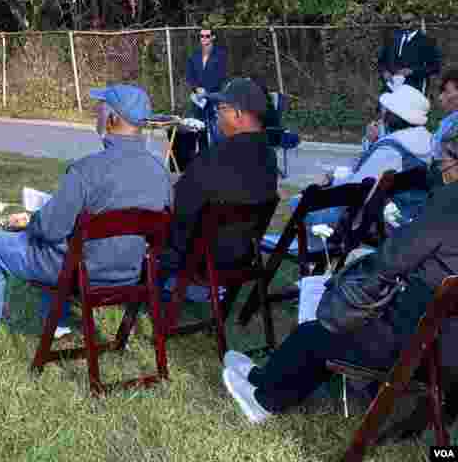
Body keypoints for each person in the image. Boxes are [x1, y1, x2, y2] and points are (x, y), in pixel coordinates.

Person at [221, 131, 458, 425]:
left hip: (420, 346)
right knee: (331, 326)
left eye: (444, 162)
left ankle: (264, 399)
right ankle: (263, 376)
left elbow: (392, 259)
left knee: (320, 330)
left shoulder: (451, 201)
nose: (441, 169)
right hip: (446, 350)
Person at [0, 85, 172, 354]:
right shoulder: (160, 171)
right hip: (133, 275)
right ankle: (60, 327)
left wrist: (31, 220)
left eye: (100, 109)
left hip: (82, 273)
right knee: (65, 244)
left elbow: (51, 229)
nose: (96, 115)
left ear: (112, 120)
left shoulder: (87, 170)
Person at [159, 78, 279, 281]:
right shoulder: (269, 156)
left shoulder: (214, 157)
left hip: (201, 259)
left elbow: (179, 206)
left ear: (237, 114)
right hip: (242, 254)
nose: (217, 114)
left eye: (221, 108)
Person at [306, 85, 432, 232]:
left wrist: (333, 178)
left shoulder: (391, 148)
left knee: (300, 202)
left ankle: (314, 251)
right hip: (411, 214)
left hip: (376, 220)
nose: (382, 115)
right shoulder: (429, 141)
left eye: (386, 110)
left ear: (394, 114)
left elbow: (356, 189)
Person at [184, 27, 228, 154]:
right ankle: (204, 155)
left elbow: (221, 76)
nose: (204, 38)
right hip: (198, 98)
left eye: (207, 36)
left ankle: (219, 154)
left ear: (213, 37)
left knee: (215, 128)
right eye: (201, 36)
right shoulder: (194, 55)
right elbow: (190, 75)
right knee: (199, 126)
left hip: (213, 95)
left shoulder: (220, 55)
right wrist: (196, 88)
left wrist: (207, 91)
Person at [377, 13, 441, 94]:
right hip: (390, 88)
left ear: (416, 22)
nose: (404, 24)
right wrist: (384, 72)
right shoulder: (392, 38)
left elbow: (435, 67)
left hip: (413, 89)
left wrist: (412, 71)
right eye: (401, 22)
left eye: (407, 22)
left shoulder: (426, 41)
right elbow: (381, 61)